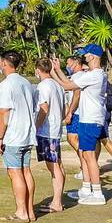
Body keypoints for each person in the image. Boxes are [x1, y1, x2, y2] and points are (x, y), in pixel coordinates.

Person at [50, 46, 107, 205]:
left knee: (89, 156)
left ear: (94, 56)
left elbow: (68, 86)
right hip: (86, 118)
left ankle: (97, 193)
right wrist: (57, 70)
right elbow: (70, 82)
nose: (84, 58)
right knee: (83, 153)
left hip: (91, 119)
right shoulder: (92, 74)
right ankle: (86, 188)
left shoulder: (95, 75)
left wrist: (53, 73)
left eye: (87, 55)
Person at [0, 50, 39, 223]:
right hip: (27, 134)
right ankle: (30, 210)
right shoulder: (26, 83)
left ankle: (21, 211)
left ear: (4, 63)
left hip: (14, 135)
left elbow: (4, 111)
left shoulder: (6, 85)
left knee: (15, 172)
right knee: (26, 170)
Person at [33, 58, 67, 212]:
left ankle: (57, 202)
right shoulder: (57, 85)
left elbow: (44, 108)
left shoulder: (44, 86)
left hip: (47, 131)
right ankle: (57, 200)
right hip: (55, 129)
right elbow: (65, 108)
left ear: (38, 70)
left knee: (54, 166)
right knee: (57, 165)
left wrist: (36, 127)